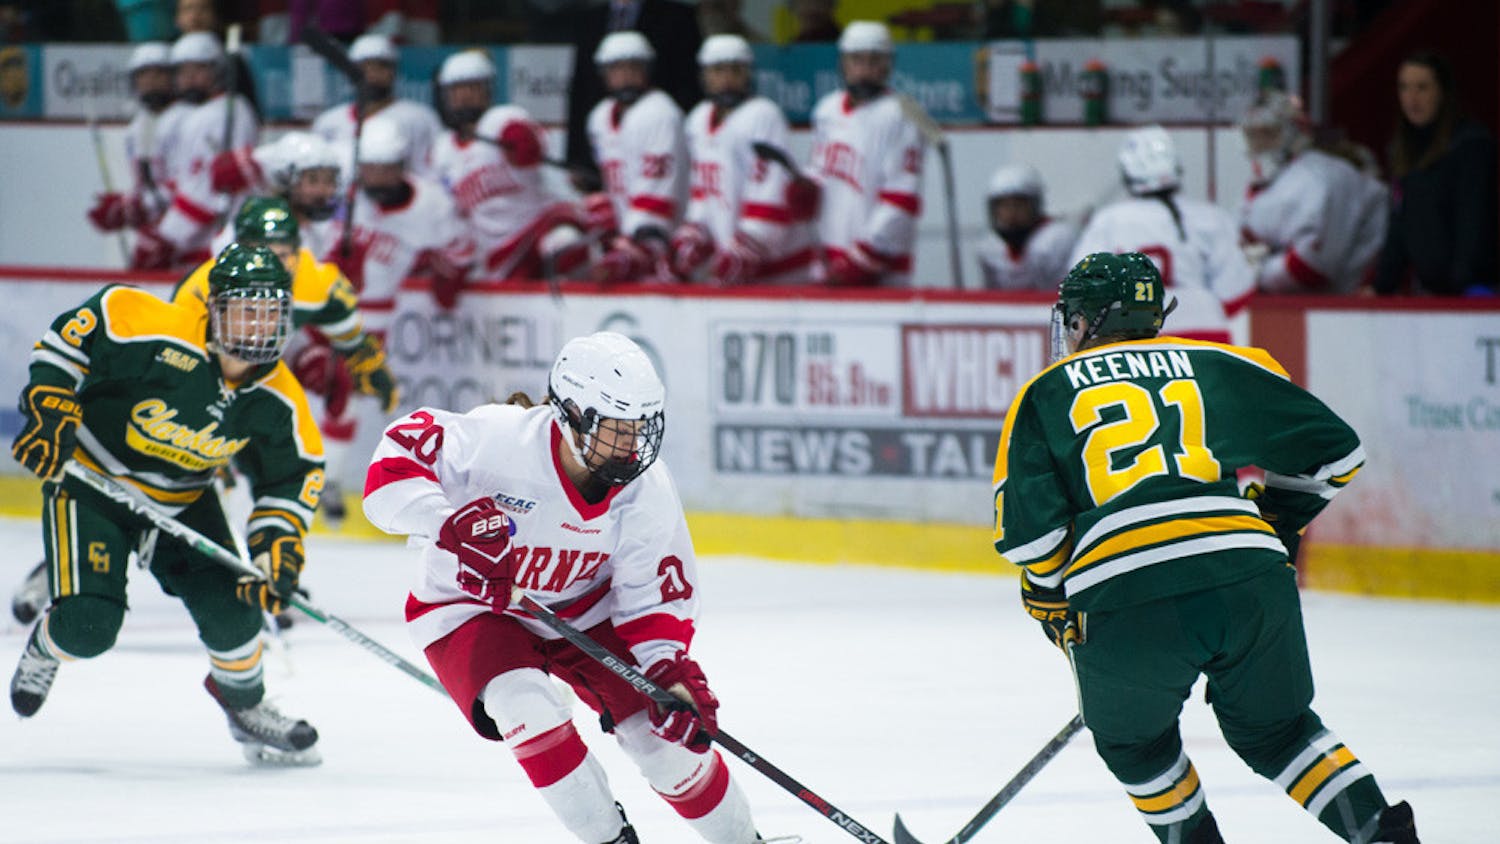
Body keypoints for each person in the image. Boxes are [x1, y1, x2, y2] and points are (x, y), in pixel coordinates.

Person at [991, 251, 1420, 844]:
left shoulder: (1044, 393)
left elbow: (1034, 540)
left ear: (1085, 321)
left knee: (1136, 745)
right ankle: (1383, 833)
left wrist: (1047, 597)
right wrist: (1277, 521)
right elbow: (1337, 453)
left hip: (1125, 592)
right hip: (1248, 573)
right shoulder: (1216, 362)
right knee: (1281, 732)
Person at [362, 331, 765, 843]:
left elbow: (651, 598)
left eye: (640, 427)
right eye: (614, 427)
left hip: (587, 613)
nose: (630, 444)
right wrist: (449, 524)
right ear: (569, 412)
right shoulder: (499, 440)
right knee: (522, 704)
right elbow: (388, 473)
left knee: (662, 742)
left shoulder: (645, 490)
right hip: (470, 607)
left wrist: (669, 671)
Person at [7, 243, 323, 766]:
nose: (258, 325)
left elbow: (292, 476)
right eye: (246, 308)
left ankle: (244, 706)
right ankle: (46, 645)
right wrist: (50, 401)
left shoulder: (280, 397)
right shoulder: (155, 326)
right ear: (214, 308)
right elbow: (72, 339)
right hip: (94, 482)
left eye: (271, 311)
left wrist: (276, 547)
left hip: (181, 501)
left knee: (236, 615)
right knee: (87, 628)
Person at [1071, 125, 1253, 342]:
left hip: (1134, 331)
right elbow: (1234, 294)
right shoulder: (1211, 217)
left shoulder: (1109, 221)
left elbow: (1082, 291)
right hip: (1204, 329)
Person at [671, 34, 818, 285]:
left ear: (748, 73)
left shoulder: (763, 115)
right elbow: (703, 192)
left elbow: (770, 192)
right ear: (704, 75)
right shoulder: (697, 120)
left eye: (735, 70)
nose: (727, 79)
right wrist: (693, 238)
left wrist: (746, 247)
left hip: (780, 269)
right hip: (734, 264)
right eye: (718, 70)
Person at [806, 21, 926, 287]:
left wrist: (865, 256)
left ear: (889, 64)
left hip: (881, 271)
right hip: (828, 262)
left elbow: (902, 198)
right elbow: (819, 175)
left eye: (875, 60)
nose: (866, 69)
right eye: (857, 59)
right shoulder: (827, 110)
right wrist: (802, 190)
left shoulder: (903, 114)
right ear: (843, 63)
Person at [1372, 51, 1497, 296]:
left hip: (1474, 292)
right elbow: (1399, 224)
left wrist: (1464, 285)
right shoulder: (1401, 150)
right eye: (1404, 88)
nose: (1412, 98)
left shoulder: (1471, 146)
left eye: (1422, 87)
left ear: (1442, 92)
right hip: (1431, 292)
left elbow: (1474, 220)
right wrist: (1381, 287)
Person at [1239, 91, 1388, 294]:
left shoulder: (1319, 179)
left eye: (1268, 134)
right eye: (1253, 136)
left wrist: (1254, 271)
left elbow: (1310, 269)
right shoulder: (1272, 182)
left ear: (1293, 132)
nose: (1259, 145)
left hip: (1356, 306)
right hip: (1322, 307)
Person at [144, 31, 261, 271]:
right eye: (183, 72)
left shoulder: (229, 111)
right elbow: (184, 181)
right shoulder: (194, 114)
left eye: (198, 70)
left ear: (217, 71)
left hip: (216, 237)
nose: (189, 78)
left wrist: (167, 236)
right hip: (194, 238)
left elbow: (207, 191)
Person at [439, 102, 594, 281]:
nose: (465, 97)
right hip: (495, 254)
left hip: (535, 226)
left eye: (472, 88)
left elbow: (536, 137)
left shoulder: (498, 120)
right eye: (457, 91)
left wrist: (524, 137)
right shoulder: (441, 151)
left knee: (564, 242)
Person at [585, 31, 688, 282]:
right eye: (617, 68)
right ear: (604, 73)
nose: (626, 76)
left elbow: (657, 198)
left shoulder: (660, 114)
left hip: (664, 244)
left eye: (634, 66)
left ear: (647, 70)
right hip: (625, 244)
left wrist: (630, 249)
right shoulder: (599, 118)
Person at [563, 0, 702, 176]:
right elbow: (581, 91)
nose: (624, 73)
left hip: (657, 145)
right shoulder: (589, 19)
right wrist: (576, 159)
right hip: (602, 147)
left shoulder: (677, 17)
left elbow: (688, 87)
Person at [84, 42, 185, 260]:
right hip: (152, 231)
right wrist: (123, 206)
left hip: (185, 231)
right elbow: (144, 183)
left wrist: (133, 207)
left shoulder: (186, 119)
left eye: (158, 73)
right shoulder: (137, 127)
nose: (151, 81)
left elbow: (185, 184)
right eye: (143, 74)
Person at [311, 32, 443, 179]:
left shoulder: (421, 117)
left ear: (394, 72)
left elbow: (434, 171)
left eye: (381, 67)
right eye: (364, 67)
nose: (372, 74)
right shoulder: (328, 122)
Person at [975, 163, 1078, 290]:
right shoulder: (989, 247)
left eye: (1018, 204)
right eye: (1003, 205)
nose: (1011, 213)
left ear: (1035, 205)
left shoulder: (1056, 239)